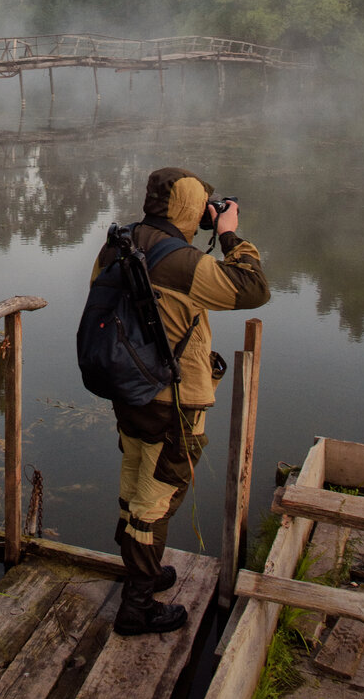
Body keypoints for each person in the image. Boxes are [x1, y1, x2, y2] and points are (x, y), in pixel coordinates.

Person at [92, 166, 270, 636]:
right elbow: (254, 288)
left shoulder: (118, 244)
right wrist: (230, 235)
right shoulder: (183, 262)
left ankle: (140, 571)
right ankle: (138, 606)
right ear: (191, 209)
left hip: (128, 388)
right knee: (159, 497)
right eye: (204, 209)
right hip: (172, 401)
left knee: (134, 480)